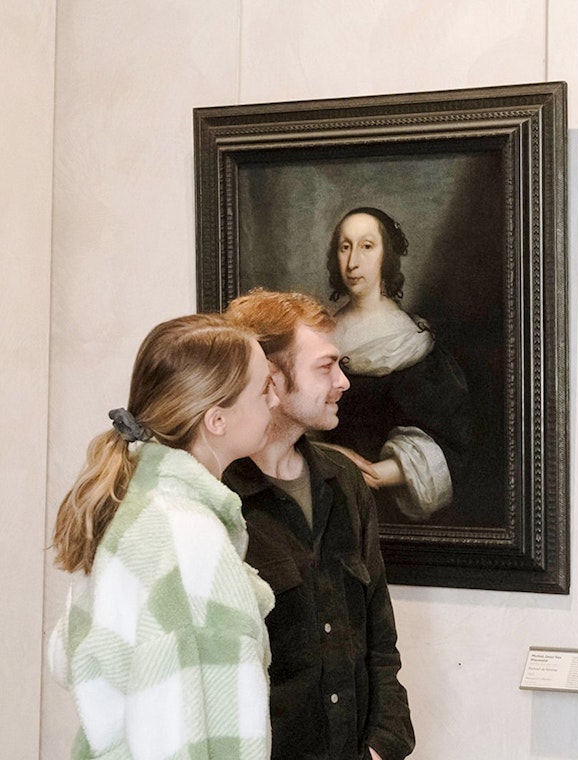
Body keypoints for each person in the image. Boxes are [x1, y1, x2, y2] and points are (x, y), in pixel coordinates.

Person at [48, 314, 279, 759]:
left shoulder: (134, 506)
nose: (275, 399)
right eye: (263, 388)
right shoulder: (188, 538)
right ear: (217, 420)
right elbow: (192, 738)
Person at [223, 288, 416, 760]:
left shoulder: (344, 480)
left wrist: (381, 747)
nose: (344, 382)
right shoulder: (213, 495)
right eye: (326, 366)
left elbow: (380, 639)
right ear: (270, 378)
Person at [323, 206, 471, 522]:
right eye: (345, 247)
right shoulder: (321, 332)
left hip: (386, 507)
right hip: (325, 493)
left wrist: (374, 473)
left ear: (385, 256)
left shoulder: (409, 341)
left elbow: (446, 441)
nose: (352, 263)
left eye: (366, 246)